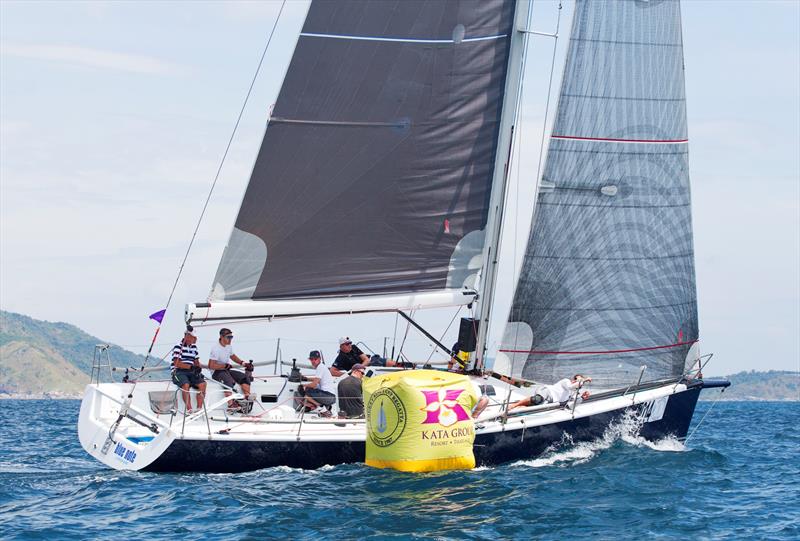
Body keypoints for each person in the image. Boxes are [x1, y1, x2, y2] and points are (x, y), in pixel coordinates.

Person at [208, 328, 253, 410]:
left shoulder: (228, 346)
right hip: (216, 372)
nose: (230, 339)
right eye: (228, 337)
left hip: (226, 370)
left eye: (231, 337)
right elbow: (211, 365)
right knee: (228, 381)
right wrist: (224, 366)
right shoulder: (215, 349)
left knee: (244, 377)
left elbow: (232, 356)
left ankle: (247, 399)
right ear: (221, 337)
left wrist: (243, 363)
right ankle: (230, 405)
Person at [507, 374, 592, 412]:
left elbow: (571, 406)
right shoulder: (566, 381)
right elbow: (570, 387)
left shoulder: (571, 394)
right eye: (576, 379)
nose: (575, 380)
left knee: (535, 408)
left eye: (578, 380)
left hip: (550, 401)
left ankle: (517, 407)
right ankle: (513, 406)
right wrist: (584, 380)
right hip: (547, 391)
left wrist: (582, 398)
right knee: (537, 399)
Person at [171, 326, 207, 412]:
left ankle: (199, 409)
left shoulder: (194, 347)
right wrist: (191, 367)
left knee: (203, 384)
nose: (196, 339)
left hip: (191, 371)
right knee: (185, 385)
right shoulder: (178, 346)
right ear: (187, 336)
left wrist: (198, 367)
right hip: (179, 371)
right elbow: (177, 363)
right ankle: (189, 409)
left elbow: (196, 361)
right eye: (194, 337)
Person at [330, 337, 397, 377]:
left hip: (367, 364)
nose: (350, 345)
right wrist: (347, 375)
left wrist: (361, 367)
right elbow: (332, 371)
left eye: (350, 343)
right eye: (347, 344)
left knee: (383, 361)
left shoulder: (353, 347)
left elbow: (366, 359)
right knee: (378, 362)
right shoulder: (340, 357)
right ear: (341, 346)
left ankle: (402, 366)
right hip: (360, 372)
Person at [298, 350, 336, 416]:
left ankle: (319, 406)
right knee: (309, 391)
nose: (313, 361)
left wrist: (302, 385)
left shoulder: (320, 367)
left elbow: (314, 384)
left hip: (328, 396)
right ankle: (322, 408)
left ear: (319, 359)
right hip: (330, 397)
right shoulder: (322, 367)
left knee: (306, 390)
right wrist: (306, 378)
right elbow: (317, 379)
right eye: (311, 359)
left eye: (315, 359)